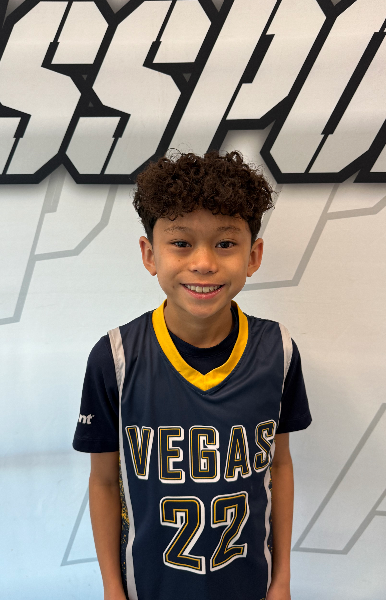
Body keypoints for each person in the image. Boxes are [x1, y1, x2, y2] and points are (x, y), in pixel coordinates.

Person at [73, 150, 311, 600]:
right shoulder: (114, 357)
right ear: (150, 254)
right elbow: (103, 481)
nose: (203, 262)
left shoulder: (277, 350)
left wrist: (281, 580)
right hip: (150, 587)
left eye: (225, 244)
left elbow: (279, 465)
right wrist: (111, 589)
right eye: (181, 243)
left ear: (253, 255)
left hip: (249, 587)